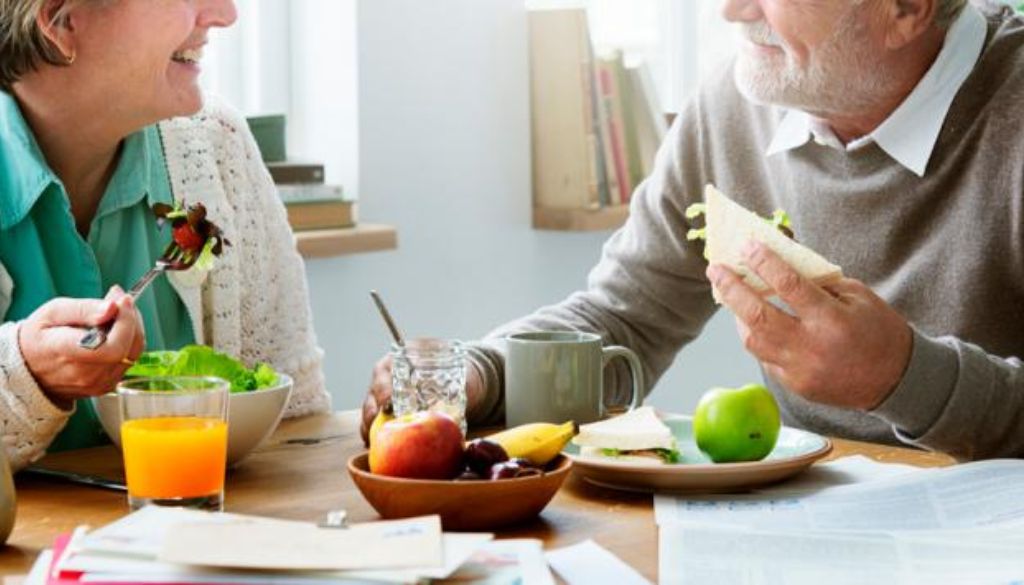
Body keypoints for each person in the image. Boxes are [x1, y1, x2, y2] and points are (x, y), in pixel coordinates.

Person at [364, 0, 1024, 461]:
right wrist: (483, 372)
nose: (731, 8)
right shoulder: (739, 102)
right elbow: (625, 318)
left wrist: (902, 376)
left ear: (906, 6)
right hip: (807, 526)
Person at [1, 0, 330, 471]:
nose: (225, 13)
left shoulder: (217, 144)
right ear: (63, 20)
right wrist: (25, 374)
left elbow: (295, 425)